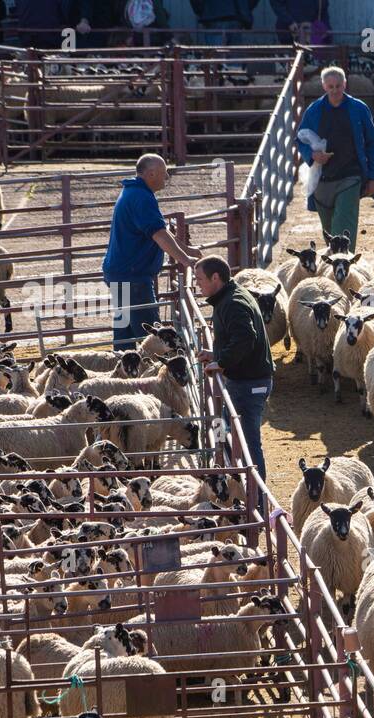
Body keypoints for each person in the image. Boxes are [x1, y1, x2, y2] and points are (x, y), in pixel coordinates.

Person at [101, 154, 200, 348]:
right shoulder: (142, 198)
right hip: (133, 276)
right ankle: (157, 375)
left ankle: (124, 372)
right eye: (164, 173)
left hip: (121, 274)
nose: (167, 177)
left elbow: (158, 231)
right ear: (152, 173)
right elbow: (159, 234)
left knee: (126, 333)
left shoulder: (132, 192)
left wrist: (186, 249)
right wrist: (186, 259)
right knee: (154, 336)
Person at [194, 255, 274, 482]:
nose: (197, 284)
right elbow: (237, 339)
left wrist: (221, 361)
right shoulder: (229, 297)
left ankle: (257, 496)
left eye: (200, 279)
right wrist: (216, 355)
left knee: (249, 442)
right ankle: (226, 466)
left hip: (250, 384)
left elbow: (246, 338)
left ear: (215, 277)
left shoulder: (233, 303)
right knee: (222, 423)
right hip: (243, 381)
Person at [296, 65, 374, 252]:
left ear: (345, 84)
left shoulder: (358, 109)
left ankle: (345, 269)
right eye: (330, 86)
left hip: (350, 177)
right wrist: (312, 155)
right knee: (329, 234)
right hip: (322, 180)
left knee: (342, 230)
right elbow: (300, 139)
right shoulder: (314, 110)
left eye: (338, 86)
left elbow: (373, 143)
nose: (334, 90)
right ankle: (336, 267)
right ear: (324, 87)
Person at [189, 0, 258, 46]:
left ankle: (220, 66)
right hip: (235, 16)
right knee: (234, 58)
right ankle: (234, 67)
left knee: (216, 57)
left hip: (213, 15)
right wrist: (244, 9)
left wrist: (203, 11)